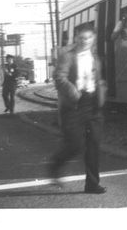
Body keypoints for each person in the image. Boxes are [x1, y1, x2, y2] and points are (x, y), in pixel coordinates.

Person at [49, 24, 108, 194]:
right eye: (82, 38)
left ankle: (92, 184)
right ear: (76, 38)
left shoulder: (95, 57)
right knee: (75, 144)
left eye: (88, 38)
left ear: (93, 39)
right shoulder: (67, 55)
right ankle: (55, 165)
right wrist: (73, 91)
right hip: (74, 104)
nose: (85, 41)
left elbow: (97, 78)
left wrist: (101, 89)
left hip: (93, 104)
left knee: (94, 144)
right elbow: (59, 77)